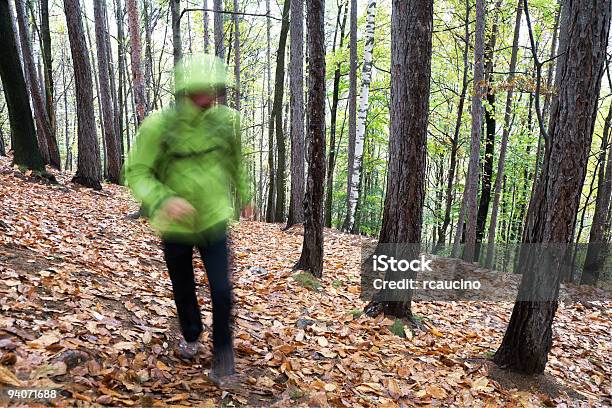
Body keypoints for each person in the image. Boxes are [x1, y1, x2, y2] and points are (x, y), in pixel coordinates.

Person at [124, 54, 249, 385]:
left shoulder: (227, 122)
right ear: (185, 91)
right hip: (175, 224)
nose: (208, 98)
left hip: (214, 219)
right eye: (200, 91)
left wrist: (244, 195)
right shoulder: (158, 126)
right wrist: (164, 199)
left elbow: (235, 161)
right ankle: (192, 334)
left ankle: (224, 354)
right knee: (183, 286)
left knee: (222, 291)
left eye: (213, 90)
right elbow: (136, 171)